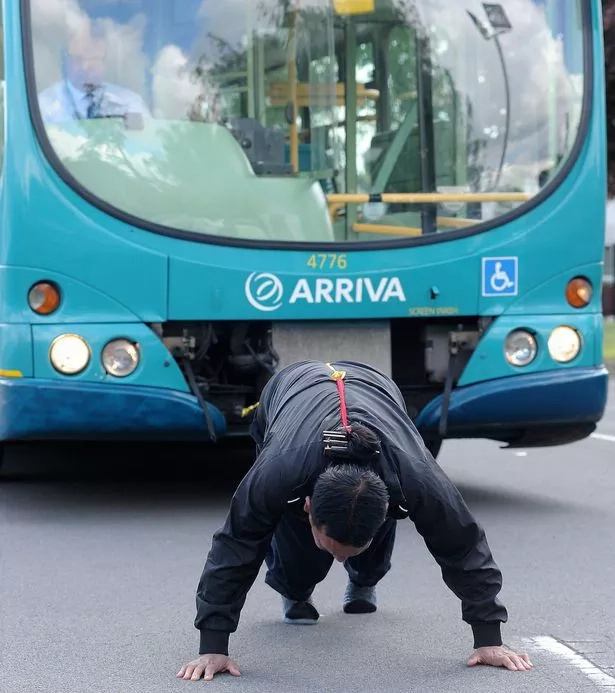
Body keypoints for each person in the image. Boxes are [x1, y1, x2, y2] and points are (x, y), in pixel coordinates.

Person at [177, 360, 533, 682]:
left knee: (364, 528)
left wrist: (489, 638)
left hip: (378, 388)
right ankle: (295, 590)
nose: (339, 560)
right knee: (295, 557)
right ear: (308, 507)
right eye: (334, 549)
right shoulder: (279, 472)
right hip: (289, 390)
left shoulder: (417, 479)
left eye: (347, 552)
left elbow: (462, 544)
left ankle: (365, 580)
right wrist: (213, 644)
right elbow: (237, 543)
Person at [38, 25, 149, 124]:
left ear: (105, 62)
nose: (85, 67)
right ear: (66, 60)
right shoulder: (44, 107)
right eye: (78, 59)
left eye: (94, 59)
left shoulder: (129, 103)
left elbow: (146, 141)